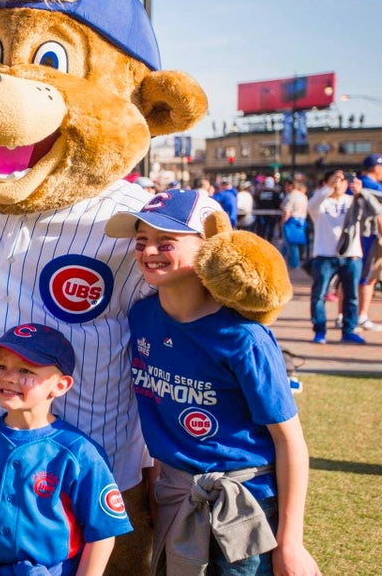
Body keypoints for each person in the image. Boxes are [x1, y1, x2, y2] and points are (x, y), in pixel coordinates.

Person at [105, 188, 321, 575]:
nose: (148, 251)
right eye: (141, 241)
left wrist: (291, 543)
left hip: (246, 507)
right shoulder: (140, 317)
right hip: (175, 496)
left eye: (165, 241)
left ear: (210, 244)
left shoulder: (243, 337)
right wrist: (160, 485)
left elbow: (290, 442)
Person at [0, 323, 132, 575]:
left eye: (26, 370)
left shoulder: (79, 452)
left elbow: (102, 532)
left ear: (61, 385)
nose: (9, 377)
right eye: (1, 366)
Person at [308, 170, 379, 345]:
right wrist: (329, 185)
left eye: (342, 180)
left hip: (351, 255)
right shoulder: (320, 203)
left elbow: (377, 209)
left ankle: (349, 330)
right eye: (336, 180)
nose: (339, 184)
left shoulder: (353, 201)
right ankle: (319, 331)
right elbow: (312, 205)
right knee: (319, 295)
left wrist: (361, 192)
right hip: (324, 255)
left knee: (351, 295)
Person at [356, 154, 382, 330]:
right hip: (370, 236)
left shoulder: (354, 184)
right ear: (376, 168)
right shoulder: (375, 187)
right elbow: (379, 216)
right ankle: (361, 316)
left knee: (351, 278)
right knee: (367, 279)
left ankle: (345, 315)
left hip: (353, 238)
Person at [280, 178, 308, 270]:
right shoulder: (303, 196)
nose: (285, 187)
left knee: (290, 245)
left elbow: (286, 211)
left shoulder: (290, 196)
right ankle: (283, 262)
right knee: (293, 244)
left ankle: (293, 264)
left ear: (291, 186)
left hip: (291, 222)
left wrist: (282, 222)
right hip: (301, 222)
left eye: (286, 185)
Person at [254, 176, 283, 242]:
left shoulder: (260, 193)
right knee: (271, 229)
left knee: (262, 229)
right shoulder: (275, 193)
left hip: (262, 215)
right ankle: (269, 242)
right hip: (272, 215)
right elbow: (278, 203)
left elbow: (258, 202)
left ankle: (262, 241)